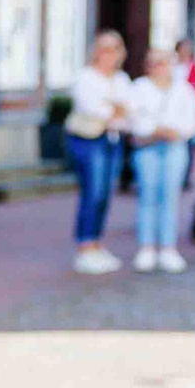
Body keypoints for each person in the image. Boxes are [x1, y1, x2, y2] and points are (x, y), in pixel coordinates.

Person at [123, 46, 195, 272]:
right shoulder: (139, 88)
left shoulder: (183, 90)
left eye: (163, 63)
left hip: (175, 147)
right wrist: (153, 131)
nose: (158, 68)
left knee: (170, 195)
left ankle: (168, 247)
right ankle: (146, 247)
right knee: (148, 193)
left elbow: (193, 121)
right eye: (153, 63)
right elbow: (132, 118)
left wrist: (176, 131)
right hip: (148, 146)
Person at [67, 30, 128, 273]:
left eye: (114, 48)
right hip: (88, 140)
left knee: (105, 193)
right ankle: (85, 245)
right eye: (104, 48)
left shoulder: (121, 79)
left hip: (112, 139)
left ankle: (97, 243)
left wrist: (115, 109)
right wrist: (115, 108)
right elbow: (92, 108)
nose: (108, 55)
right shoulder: (86, 77)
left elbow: (131, 109)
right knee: (92, 191)